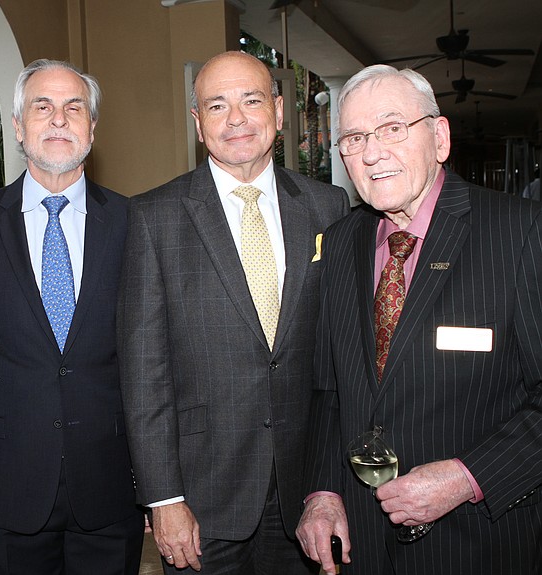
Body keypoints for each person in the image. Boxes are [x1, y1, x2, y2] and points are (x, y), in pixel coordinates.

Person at [296, 64, 542, 575]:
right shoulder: (339, 244)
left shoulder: (520, 233)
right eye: (354, 138)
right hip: (363, 543)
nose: (372, 153)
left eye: (391, 128)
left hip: (480, 543)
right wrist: (322, 492)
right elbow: (328, 389)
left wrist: (468, 477)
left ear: (440, 137)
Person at [117, 51, 349, 574]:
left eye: (251, 100)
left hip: (304, 494)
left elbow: (336, 360)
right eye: (217, 105)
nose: (237, 119)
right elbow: (143, 373)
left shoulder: (328, 207)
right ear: (198, 124)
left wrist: (329, 485)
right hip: (202, 498)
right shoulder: (153, 216)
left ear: (279, 112)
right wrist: (164, 499)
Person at [0, 59, 144, 575]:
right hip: (8, 484)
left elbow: (153, 357)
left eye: (74, 108)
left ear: (92, 127)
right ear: (18, 126)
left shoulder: (136, 223)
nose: (59, 119)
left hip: (110, 482)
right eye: (42, 106)